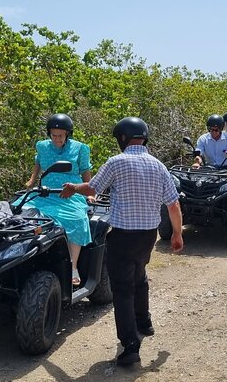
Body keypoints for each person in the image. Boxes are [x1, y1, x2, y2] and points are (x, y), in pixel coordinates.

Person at [60, 117, 183, 367]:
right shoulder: (158, 165)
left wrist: (74, 187)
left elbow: (93, 189)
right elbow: (173, 204)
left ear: (123, 138)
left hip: (124, 235)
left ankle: (130, 347)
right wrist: (178, 234)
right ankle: (144, 322)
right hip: (149, 235)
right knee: (139, 275)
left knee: (123, 289)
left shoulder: (117, 162)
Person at [22, 113, 92, 286]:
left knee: (77, 219)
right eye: (53, 135)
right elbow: (38, 163)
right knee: (19, 211)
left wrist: (89, 190)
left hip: (70, 193)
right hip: (45, 193)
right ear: (49, 134)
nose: (57, 138)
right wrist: (32, 181)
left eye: (60, 135)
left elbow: (85, 171)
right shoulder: (42, 146)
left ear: (68, 134)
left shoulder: (80, 148)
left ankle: (73, 267)